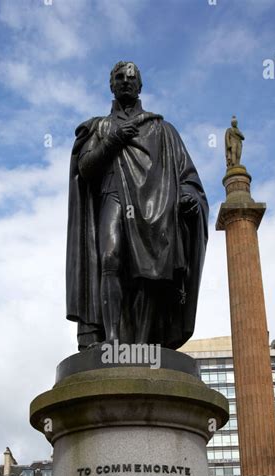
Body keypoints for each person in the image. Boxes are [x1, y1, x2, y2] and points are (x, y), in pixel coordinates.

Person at [66, 61, 209, 350]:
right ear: (111, 85)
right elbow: (85, 168)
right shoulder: (99, 126)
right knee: (109, 257)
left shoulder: (162, 130)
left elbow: (188, 177)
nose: (125, 81)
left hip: (155, 206)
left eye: (131, 77)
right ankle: (114, 340)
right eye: (119, 77)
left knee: (149, 270)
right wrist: (112, 141)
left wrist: (188, 195)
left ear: (140, 85)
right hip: (113, 195)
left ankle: (143, 344)